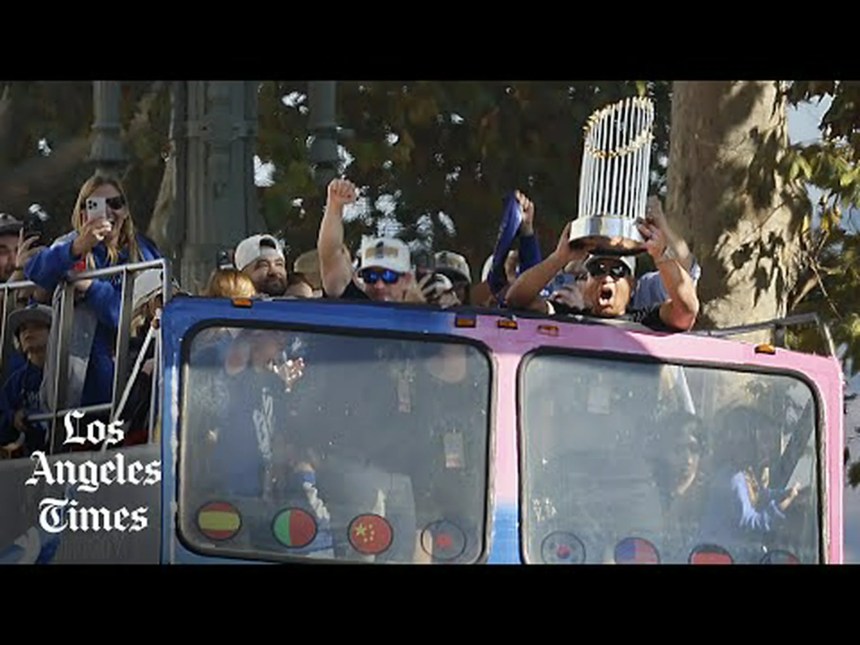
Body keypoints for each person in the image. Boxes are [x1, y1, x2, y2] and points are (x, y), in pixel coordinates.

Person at [23, 174, 162, 410]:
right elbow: (34, 271)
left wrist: (88, 287)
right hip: (76, 385)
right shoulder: (70, 244)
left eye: (116, 204)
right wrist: (78, 248)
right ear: (83, 212)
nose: (108, 212)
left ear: (126, 211)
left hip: (132, 380)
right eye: (96, 205)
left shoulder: (144, 251)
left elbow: (126, 314)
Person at [506, 217, 699, 332]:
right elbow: (517, 300)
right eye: (597, 270)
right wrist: (559, 258)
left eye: (618, 271)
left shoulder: (646, 322)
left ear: (632, 285)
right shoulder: (570, 320)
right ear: (585, 282)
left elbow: (686, 311)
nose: (607, 277)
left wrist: (661, 255)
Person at [318, 178, 423, 303]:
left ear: (407, 279)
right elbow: (331, 255)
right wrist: (335, 205)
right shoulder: (353, 304)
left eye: (389, 276)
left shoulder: (421, 317)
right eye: (370, 277)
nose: (379, 285)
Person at [0, 304, 52, 457]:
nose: (28, 332)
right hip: (32, 465)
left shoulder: (74, 370)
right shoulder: (16, 381)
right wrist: (13, 419)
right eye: (22, 329)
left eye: (37, 326)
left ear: (55, 332)